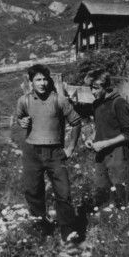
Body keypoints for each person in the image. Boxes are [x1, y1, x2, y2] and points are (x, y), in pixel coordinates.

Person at [16, 64, 82, 242]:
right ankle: (42, 230)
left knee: (63, 193)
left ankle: (68, 235)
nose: (42, 83)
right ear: (31, 82)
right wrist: (22, 122)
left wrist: (70, 148)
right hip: (32, 153)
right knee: (32, 191)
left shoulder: (59, 100)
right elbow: (19, 117)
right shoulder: (24, 101)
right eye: (38, 79)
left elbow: (76, 122)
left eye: (45, 79)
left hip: (55, 152)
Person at [84, 69, 129, 209]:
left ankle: (125, 221)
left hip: (118, 153)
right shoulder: (96, 104)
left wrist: (105, 143)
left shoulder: (119, 103)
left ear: (106, 87)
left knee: (121, 193)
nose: (92, 92)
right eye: (91, 88)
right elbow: (100, 127)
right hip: (102, 154)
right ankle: (107, 223)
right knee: (103, 192)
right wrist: (91, 138)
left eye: (96, 88)